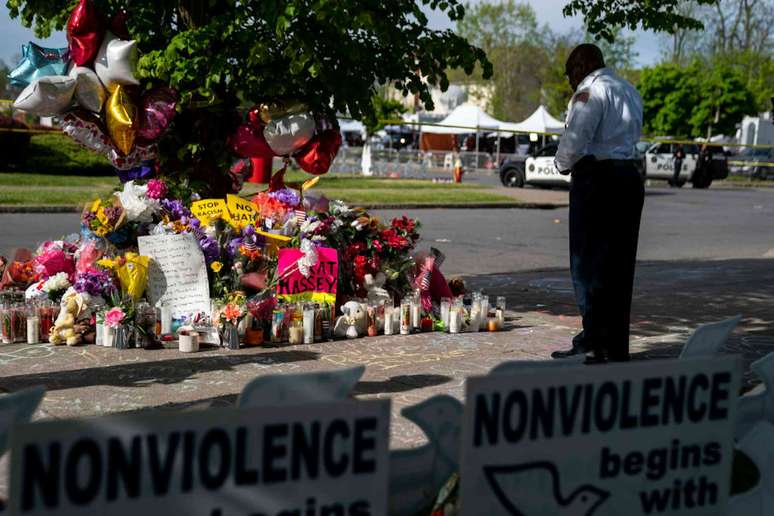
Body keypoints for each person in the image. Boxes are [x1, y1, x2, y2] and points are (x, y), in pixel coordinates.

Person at [551, 43, 644, 364]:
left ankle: (592, 341)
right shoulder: (628, 90)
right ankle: (615, 345)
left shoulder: (590, 92)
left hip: (598, 179)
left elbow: (575, 140)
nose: (569, 81)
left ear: (581, 66)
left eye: (570, 73)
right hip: (630, 177)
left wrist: (560, 164)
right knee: (619, 266)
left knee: (587, 263)